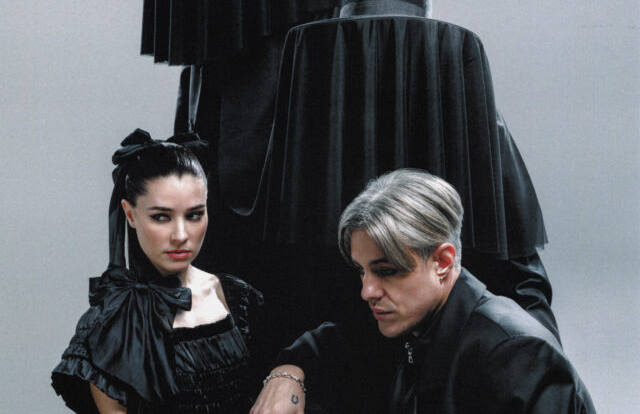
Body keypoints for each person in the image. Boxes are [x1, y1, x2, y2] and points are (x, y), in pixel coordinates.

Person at [251, 169, 595, 414]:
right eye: (362, 271)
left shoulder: (516, 353)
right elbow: (334, 343)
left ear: (442, 261)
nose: (367, 291)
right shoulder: (413, 323)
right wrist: (289, 373)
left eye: (387, 271)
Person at [52, 129, 268, 413]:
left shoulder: (236, 297)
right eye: (161, 217)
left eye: (194, 215)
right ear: (130, 214)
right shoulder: (109, 325)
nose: (181, 235)